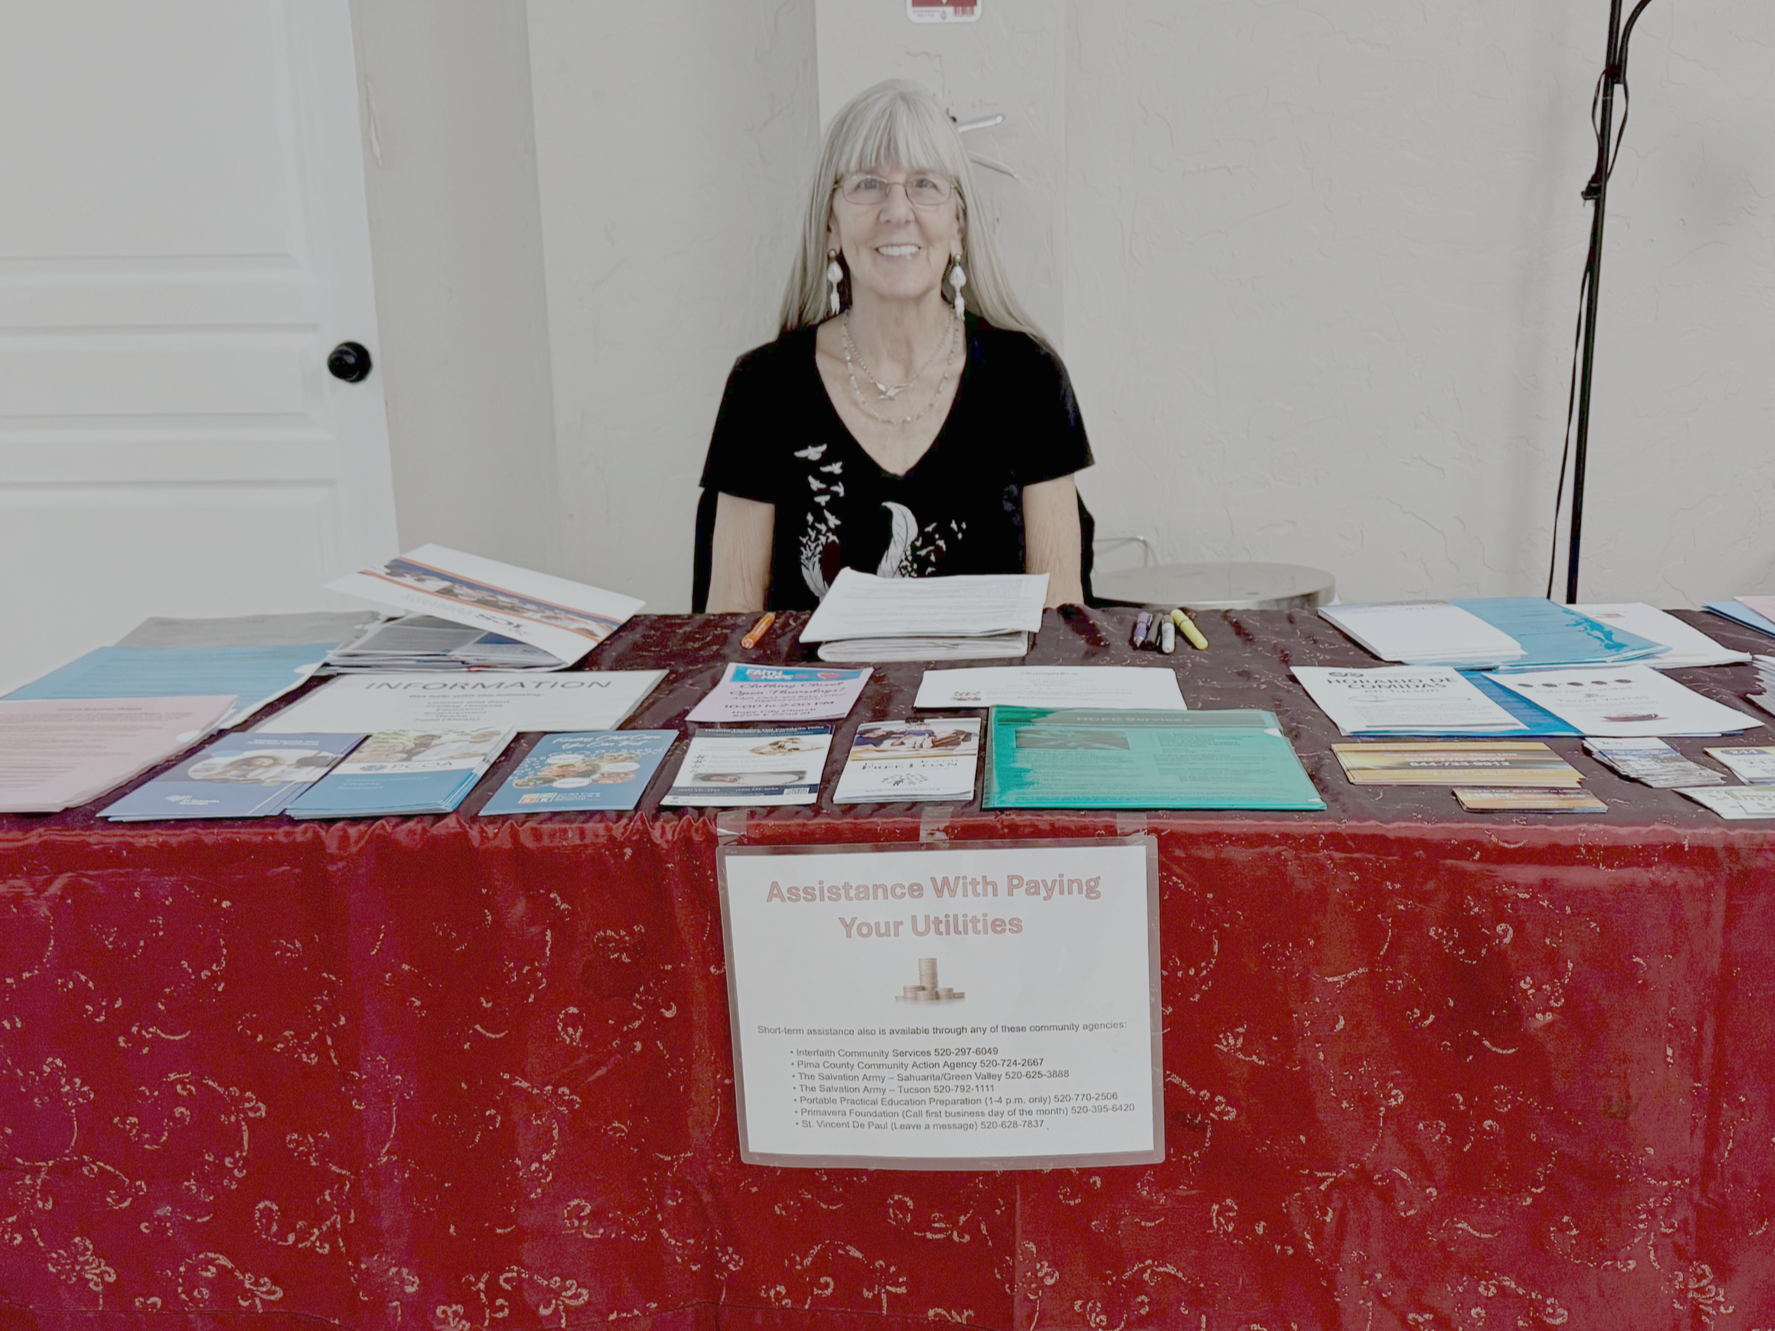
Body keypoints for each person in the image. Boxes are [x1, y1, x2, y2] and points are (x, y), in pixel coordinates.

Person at [700, 79, 1093, 613]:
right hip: (812, 697)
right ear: (830, 226)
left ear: (958, 226)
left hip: (984, 696)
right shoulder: (762, 389)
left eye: (925, 184)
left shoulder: (1031, 381)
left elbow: (1059, 630)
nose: (896, 210)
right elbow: (730, 632)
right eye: (867, 184)